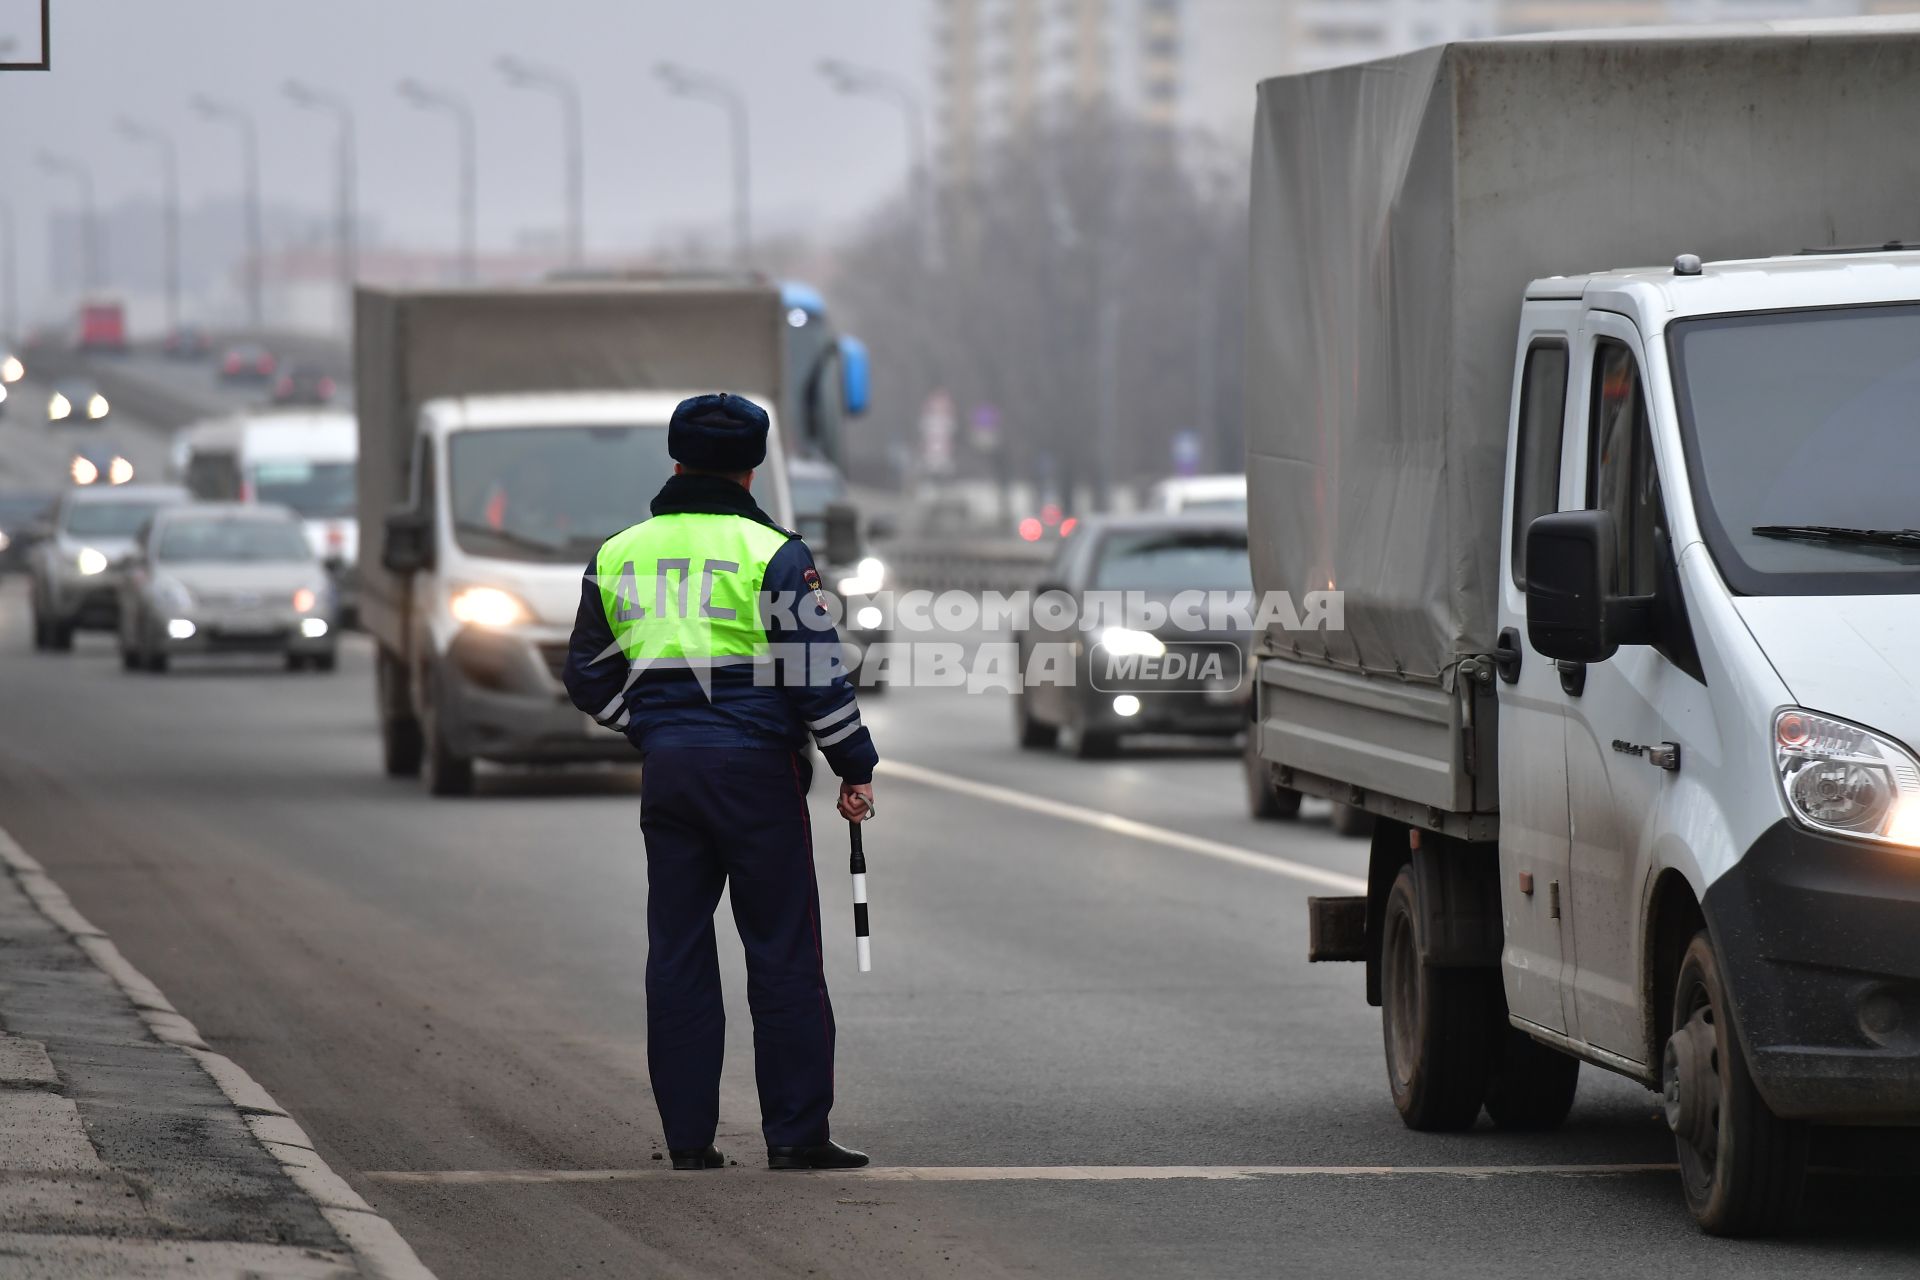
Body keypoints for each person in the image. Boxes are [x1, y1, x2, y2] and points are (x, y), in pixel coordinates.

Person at [563, 392, 877, 1173]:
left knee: (676, 952)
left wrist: (650, 728)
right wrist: (855, 765)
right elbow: (816, 675)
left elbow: (584, 677)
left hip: (670, 773)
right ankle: (797, 1136)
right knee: (781, 952)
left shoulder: (617, 553)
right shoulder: (774, 554)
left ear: (674, 458)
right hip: (756, 774)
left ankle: (689, 1141)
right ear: (754, 464)